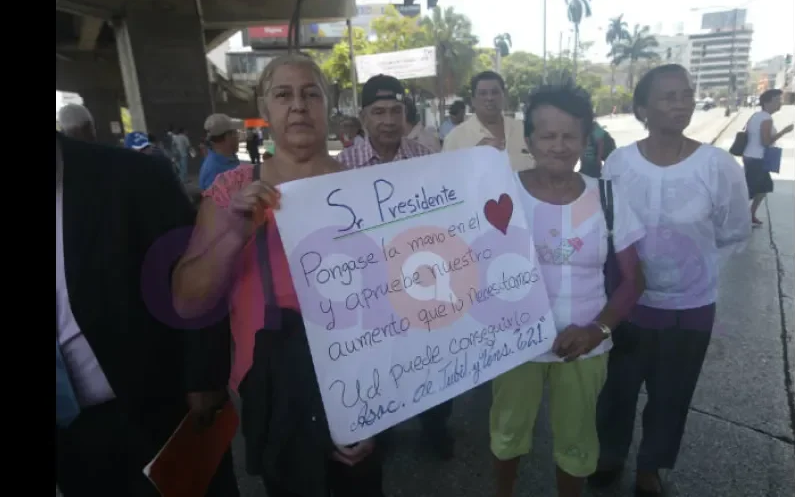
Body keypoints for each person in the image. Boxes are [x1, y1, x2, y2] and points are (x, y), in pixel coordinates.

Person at [171, 53, 384, 497]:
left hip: (362, 373)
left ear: (329, 105)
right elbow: (187, 300)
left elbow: (395, 297)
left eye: (311, 94)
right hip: (275, 389)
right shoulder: (232, 191)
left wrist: (380, 407)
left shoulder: (369, 188)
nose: (299, 106)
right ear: (265, 111)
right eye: (283, 95)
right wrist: (234, 234)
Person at [591, 64, 751, 497]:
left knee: (672, 394)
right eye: (668, 96)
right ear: (642, 108)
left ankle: (651, 467)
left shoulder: (718, 166)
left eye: (686, 94)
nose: (681, 103)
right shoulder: (621, 163)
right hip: (628, 303)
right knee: (618, 389)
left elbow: (734, 229)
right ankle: (609, 456)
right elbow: (608, 226)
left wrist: (691, 267)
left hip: (690, 307)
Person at [55, 132, 237, 497]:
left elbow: (195, 270)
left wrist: (205, 379)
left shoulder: (130, 175)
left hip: (158, 412)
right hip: (71, 437)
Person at [490, 83, 646, 497]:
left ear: (585, 139)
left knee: (576, 443)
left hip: (585, 347)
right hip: (513, 345)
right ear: (529, 140)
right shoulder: (500, 193)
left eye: (569, 136)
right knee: (507, 434)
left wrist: (598, 330)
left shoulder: (608, 197)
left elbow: (634, 280)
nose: (558, 146)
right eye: (547, 135)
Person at [335, 74, 454, 461]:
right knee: (379, 361)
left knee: (432, 359)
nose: (388, 120)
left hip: (422, 277)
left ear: (406, 114)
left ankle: (435, 428)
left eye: (396, 111)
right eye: (379, 111)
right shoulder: (340, 166)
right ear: (364, 116)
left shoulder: (425, 159)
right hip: (371, 284)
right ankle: (380, 430)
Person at [443, 71, 533, 171]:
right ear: (473, 100)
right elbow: (448, 179)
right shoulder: (455, 139)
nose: (489, 98)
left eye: (495, 92)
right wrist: (473, 157)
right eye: (483, 93)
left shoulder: (524, 130)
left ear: (504, 96)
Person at [742, 88, 794, 226]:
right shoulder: (766, 118)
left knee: (762, 188)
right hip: (756, 158)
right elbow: (765, 142)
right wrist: (784, 131)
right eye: (777, 100)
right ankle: (735, 216)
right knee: (751, 190)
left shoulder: (756, 116)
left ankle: (749, 215)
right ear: (767, 102)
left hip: (751, 156)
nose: (780, 103)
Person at [199, 114, 242, 191]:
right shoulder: (214, 170)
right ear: (228, 136)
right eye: (235, 133)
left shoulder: (230, 159)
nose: (238, 137)